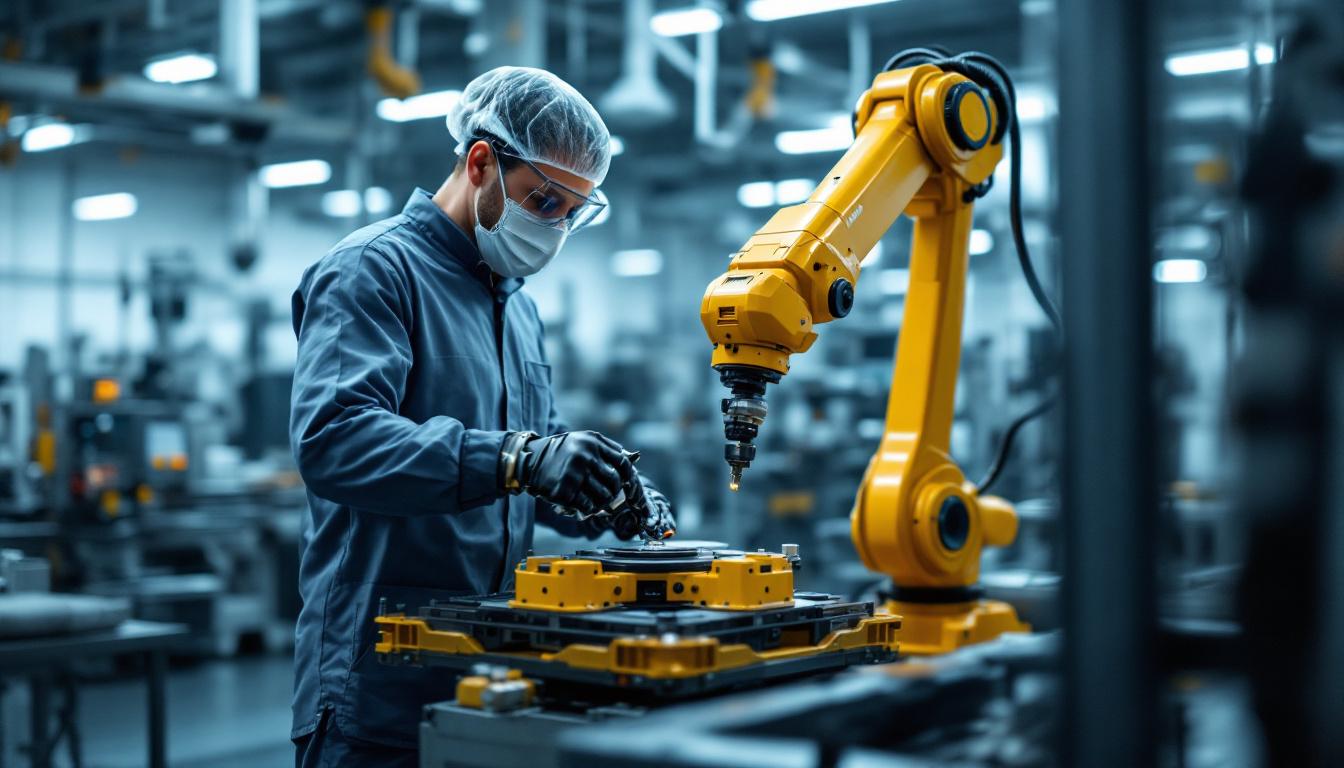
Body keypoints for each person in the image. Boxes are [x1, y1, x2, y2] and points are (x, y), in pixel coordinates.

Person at [288, 66, 674, 767]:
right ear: (480, 162)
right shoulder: (372, 271)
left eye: (572, 213)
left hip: (493, 669)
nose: (554, 227)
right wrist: (517, 457)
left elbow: (528, 466)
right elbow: (335, 439)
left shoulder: (516, 306)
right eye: (544, 201)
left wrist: (595, 492)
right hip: (376, 676)